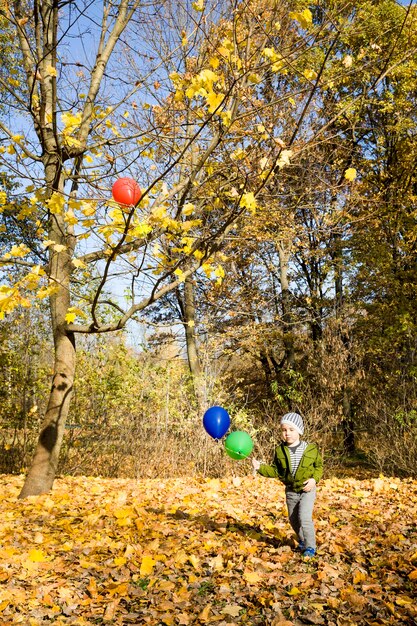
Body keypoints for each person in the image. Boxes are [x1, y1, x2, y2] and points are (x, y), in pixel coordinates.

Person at [252, 412, 323, 559]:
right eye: (284, 430)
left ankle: (310, 546)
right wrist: (260, 467)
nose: (287, 433)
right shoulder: (280, 451)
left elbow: (319, 467)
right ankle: (302, 540)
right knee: (293, 519)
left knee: (304, 517)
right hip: (291, 490)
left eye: (291, 430)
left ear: (299, 431)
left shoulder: (310, 449)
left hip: (307, 489)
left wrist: (314, 480)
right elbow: (275, 470)